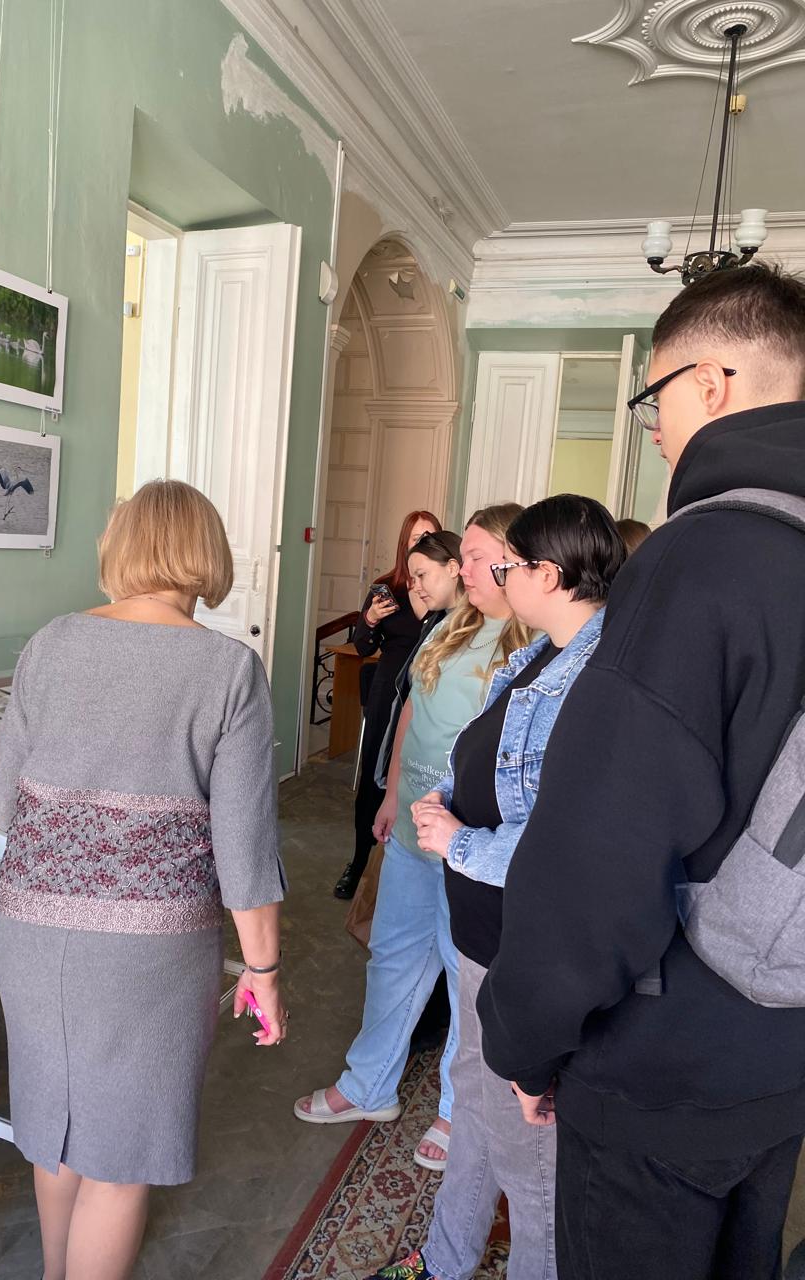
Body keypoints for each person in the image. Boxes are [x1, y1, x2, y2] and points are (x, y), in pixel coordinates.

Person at [478, 263, 805, 1280]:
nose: (654, 428)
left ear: (711, 380)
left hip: (666, 1057)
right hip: (784, 1046)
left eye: (654, 397)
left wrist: (528, 1038)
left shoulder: (701, 557)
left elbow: (602, 847)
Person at [0, 480, 288, 1280]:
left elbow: (1, 800)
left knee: (57, 1131)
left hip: (32, 928)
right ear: (206, 554)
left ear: (120, 548)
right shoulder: (227, 669)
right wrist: (262, 969)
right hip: (149, 949)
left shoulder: (51, 642)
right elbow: (244, 847)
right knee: (120, 1160)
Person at [365, 495, 625, 1280]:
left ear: (549, 573)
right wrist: (442, 798)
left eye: (504, 564)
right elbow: (489, 757)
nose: (493, 577)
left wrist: (460, 841)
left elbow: (568, 845)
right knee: (476, 1109)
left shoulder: (593, 677)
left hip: (523, 945)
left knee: (527, 1156)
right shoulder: (540, 654)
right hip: (484, 933)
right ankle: (445, 1261)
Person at [296, 510, 530, 1171]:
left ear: (514, 560)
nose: (465, 568)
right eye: (466, 557)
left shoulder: (531, 644)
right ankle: (367, 1086)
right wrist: (392, 794)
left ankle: (459, 1112)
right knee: (393, 958)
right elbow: (411, 715)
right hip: (411, 831)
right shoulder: (451, 625)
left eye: (477, 556)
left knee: (464, 979)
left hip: (469, 844)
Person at [334, 510, 442, 899]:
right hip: (388, 694)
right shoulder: (386, 589)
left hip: (429, 693)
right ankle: (359, 861)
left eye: (430, 535)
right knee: (373, 779)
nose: (423, 542)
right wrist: (370, 619)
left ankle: (403, 867)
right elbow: (363, 647)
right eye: (416, 537)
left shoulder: (446, 591)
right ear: (404, 544)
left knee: (421, 776)